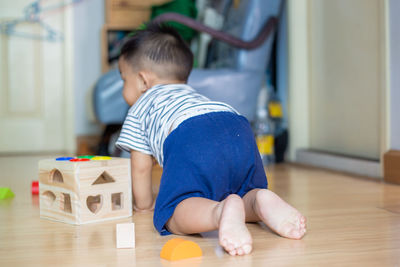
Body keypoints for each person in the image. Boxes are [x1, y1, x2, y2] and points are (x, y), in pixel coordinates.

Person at [115, 23, 306, 256]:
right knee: (242, 192)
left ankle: (220, 211)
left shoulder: (141, 106)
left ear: (144, 81)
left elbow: (141, 167)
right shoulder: (192, 94)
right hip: (235, 124)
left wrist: (143, 206)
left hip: (190, 132)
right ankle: (259, 200)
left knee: (173, 213)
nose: (124, 89)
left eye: (124, 80)